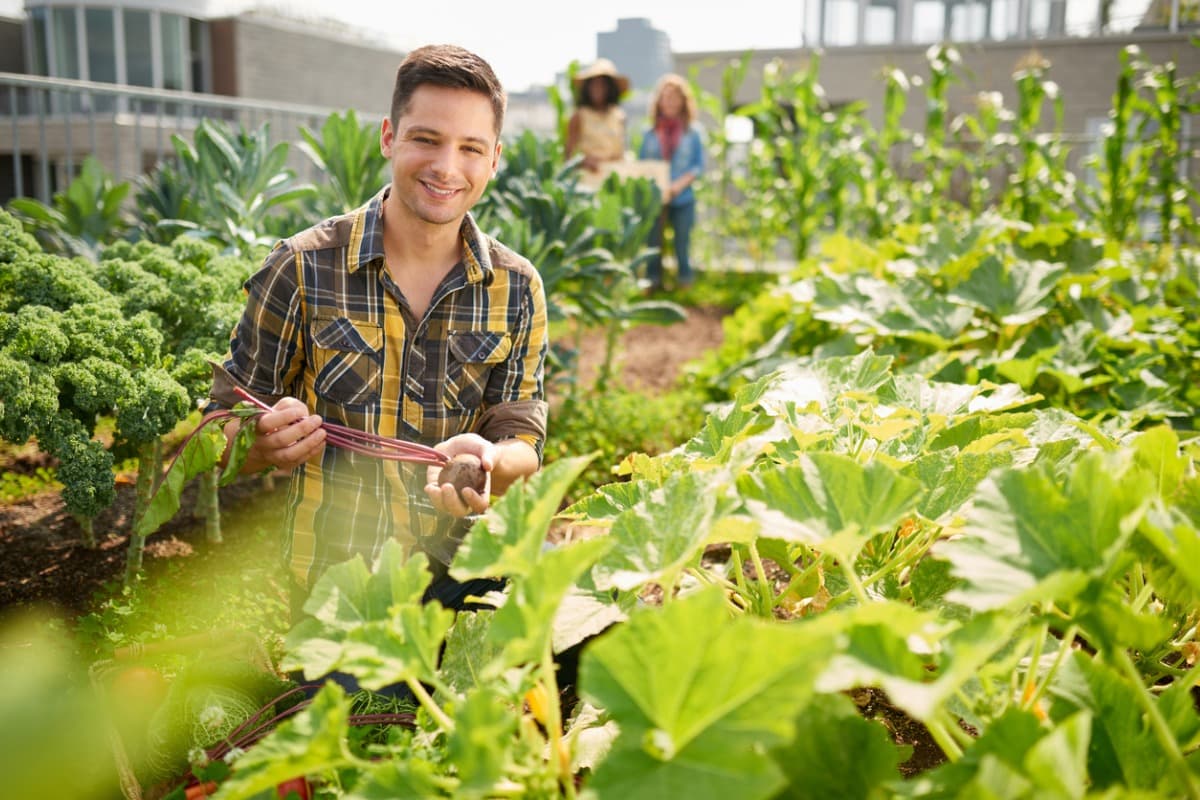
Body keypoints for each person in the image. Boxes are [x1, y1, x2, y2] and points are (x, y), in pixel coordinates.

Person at [207, 44, 548, 622]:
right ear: (390, 137)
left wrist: (491, 458)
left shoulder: (515, 287)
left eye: (470, 148)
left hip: (469, 569)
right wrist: (258, 446)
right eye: (426, 139)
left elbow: (523, 437)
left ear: (494, 160)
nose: (446, 166)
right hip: (339, 586)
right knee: (379, 710)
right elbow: (216, 429)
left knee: (577, 663)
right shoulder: (302, 267)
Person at [638, 73, 705, 290]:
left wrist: (678, 186)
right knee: (653, 244)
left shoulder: (692, 133)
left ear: (683, 101)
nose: (670, 102)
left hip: (682, 197)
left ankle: (685, 283)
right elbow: (643, 165)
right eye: (666, 97)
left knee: (682, 243)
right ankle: (652, 282)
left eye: (675, 97)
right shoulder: (649, 134)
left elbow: (697, 166)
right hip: (656, 198)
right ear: (659, 101)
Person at [565, 58, 629, 184]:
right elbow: (568, 157)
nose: (598, 88)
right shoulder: (579, 116)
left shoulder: (619, 116)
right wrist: (584, 161)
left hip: (615, 177)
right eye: (594, 84)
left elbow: (622, 149)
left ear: (610, 88)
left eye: (603, 84)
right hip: (588, 179)